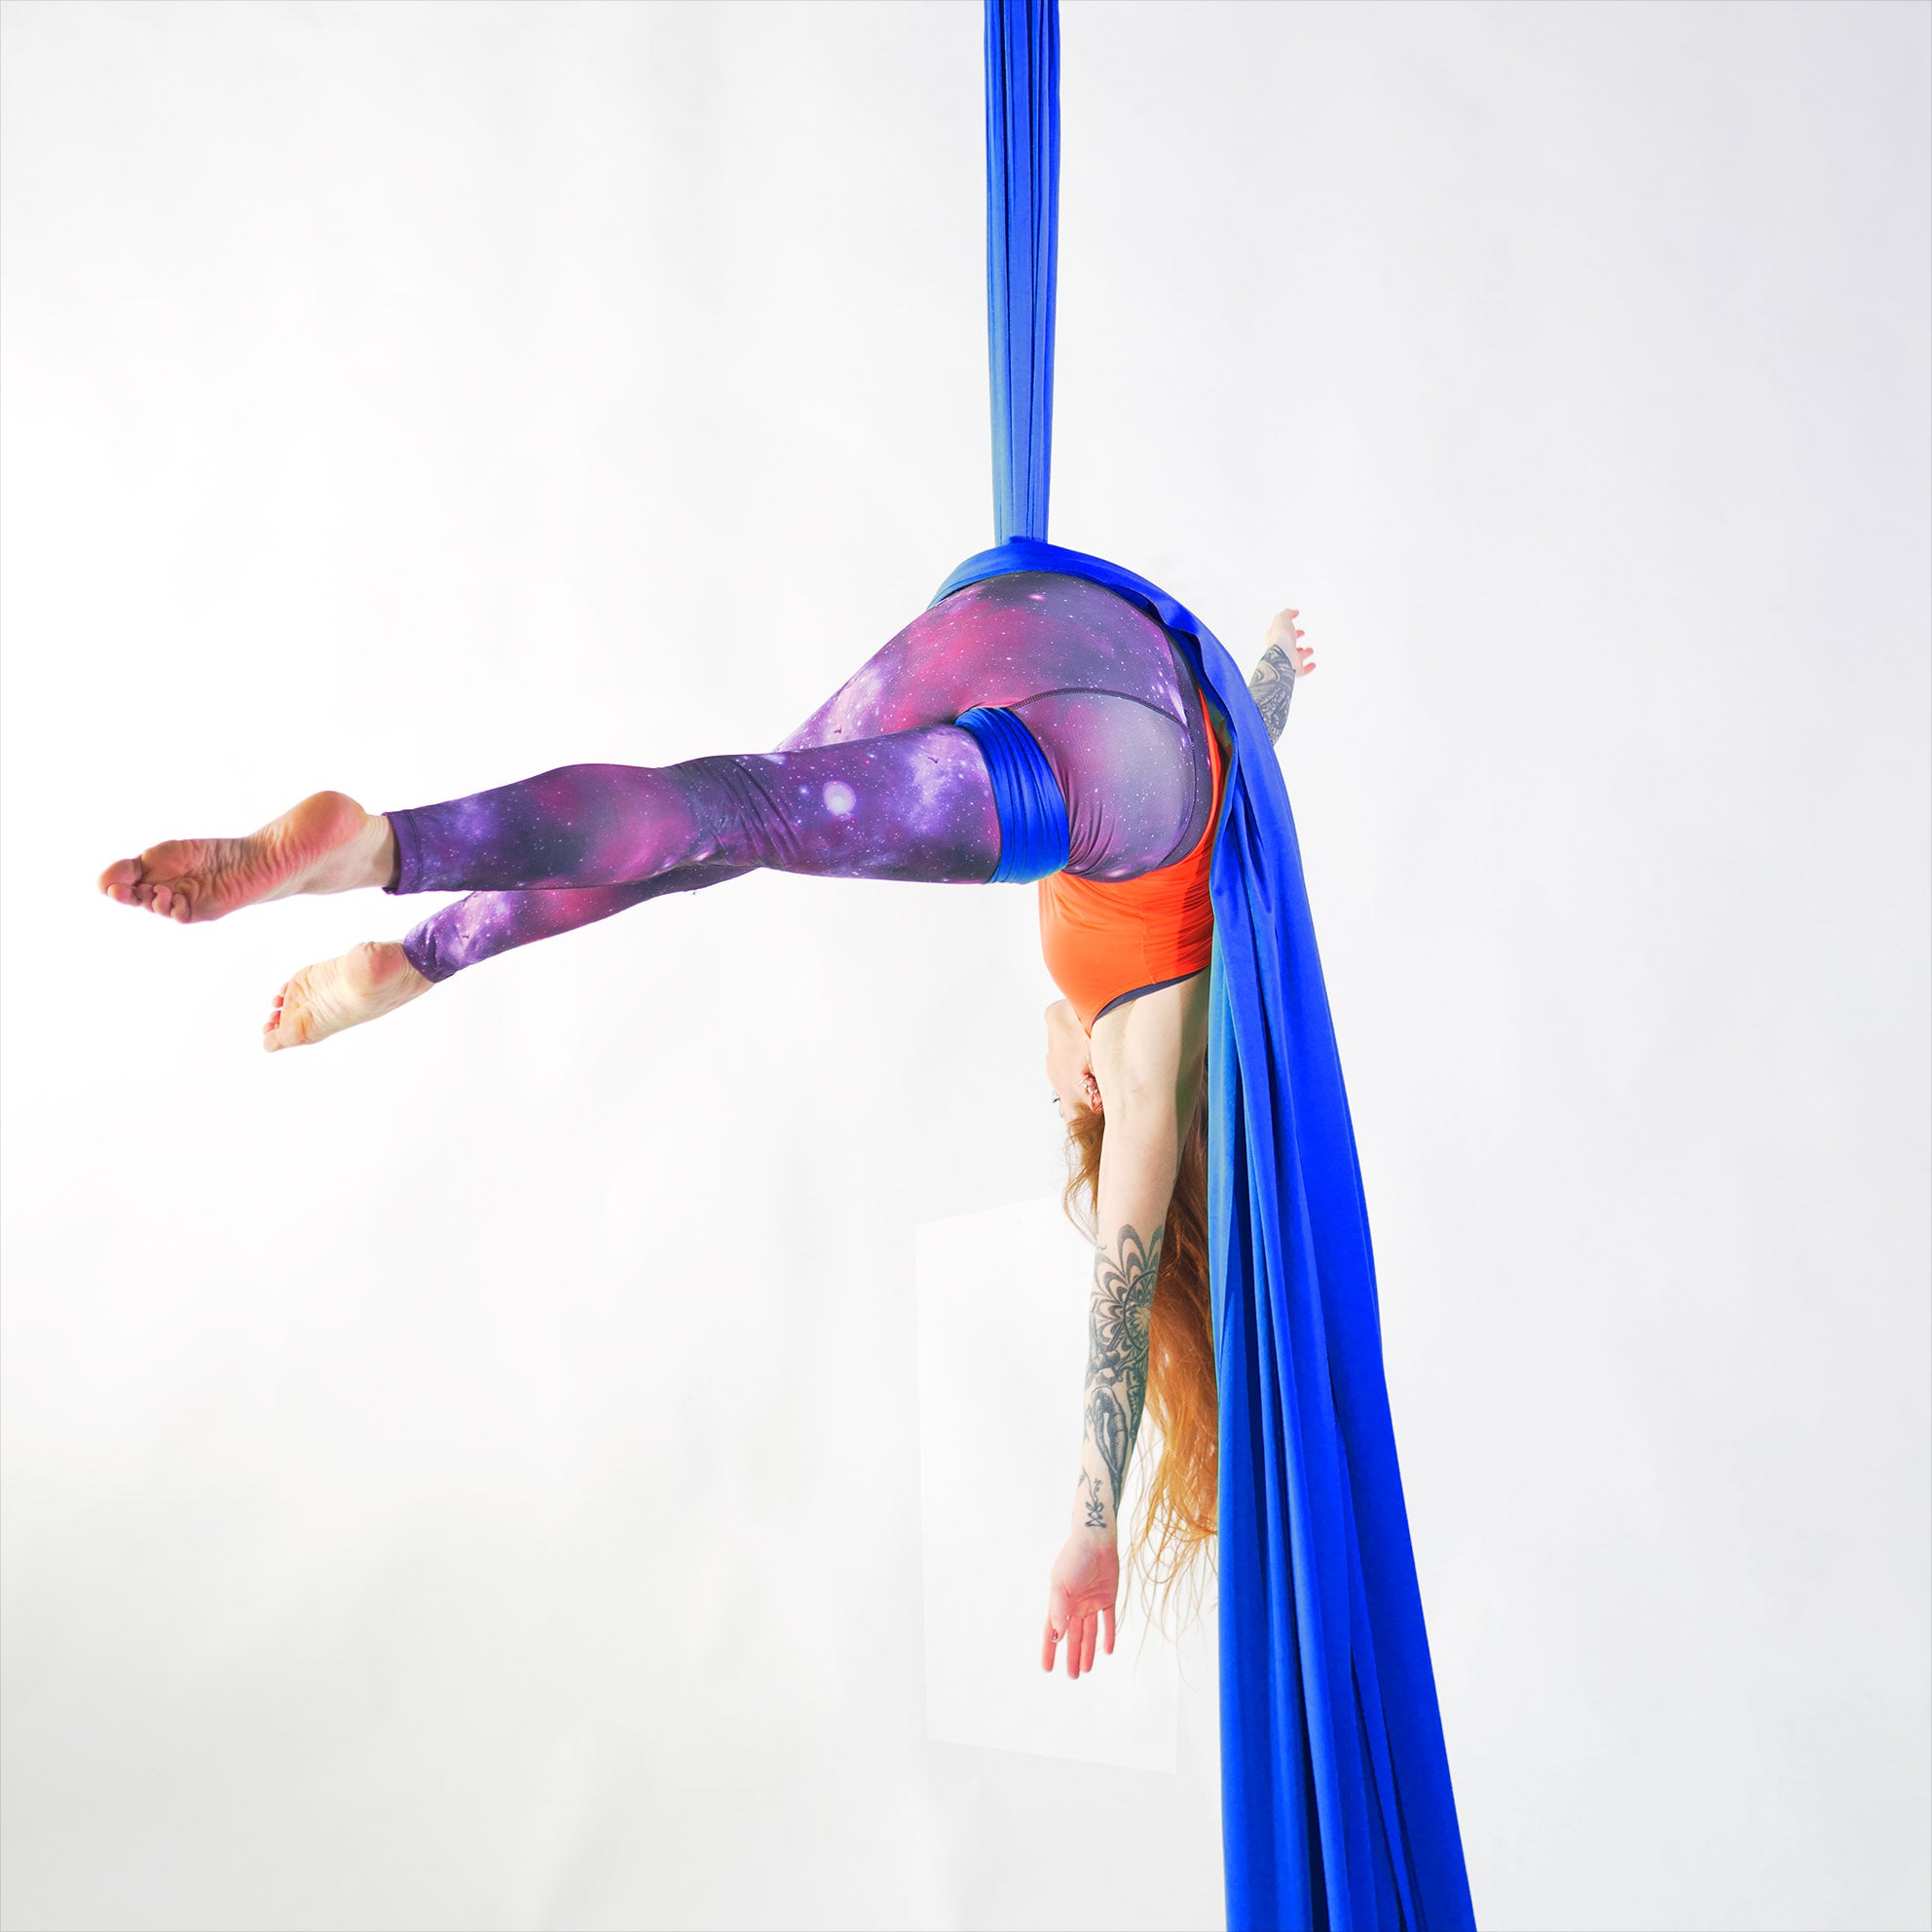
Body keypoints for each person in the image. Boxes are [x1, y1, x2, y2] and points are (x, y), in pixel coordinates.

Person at [95, 568, 1314, 1682]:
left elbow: (1252, 738)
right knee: (723, 819)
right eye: (1067, 1109)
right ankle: (380, 858)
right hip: (1092, 771)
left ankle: (409, 936)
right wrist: (1091, 1525)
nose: (1063, 1089)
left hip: (1066, 632)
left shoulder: (1217, 909)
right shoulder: (1145, 1080)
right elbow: (1123, 1283)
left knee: (729, 811)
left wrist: (1271, 659)